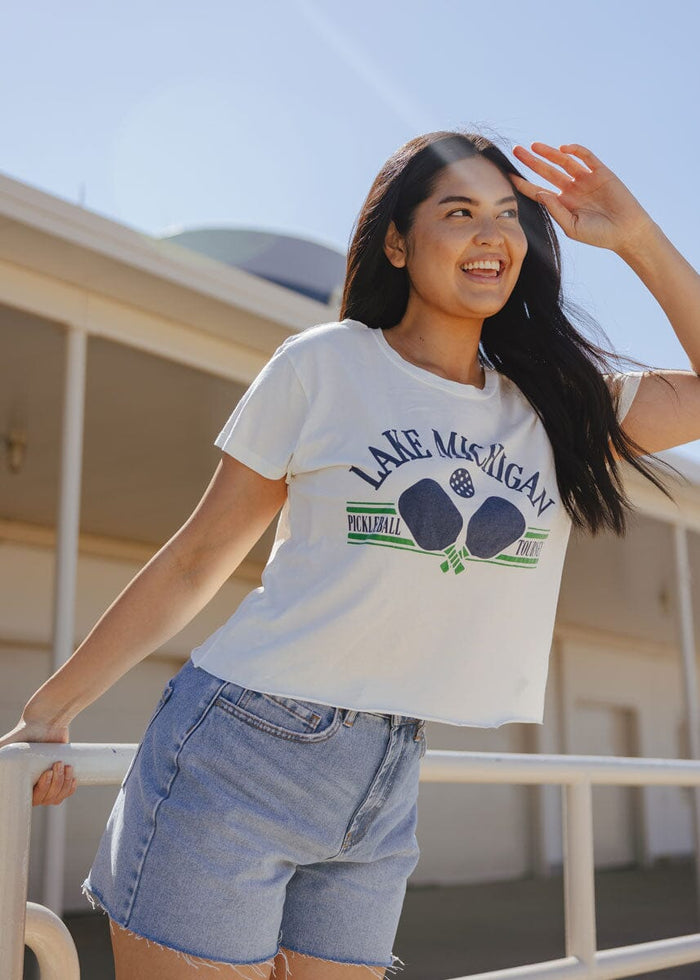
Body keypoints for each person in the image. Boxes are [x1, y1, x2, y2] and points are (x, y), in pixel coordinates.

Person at [2, 130, 700, 980]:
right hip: (239, 751)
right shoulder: (324, 365)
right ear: (398, 244)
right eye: (459, 212)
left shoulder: (552, 410)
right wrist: (51, 709)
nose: (491, 234)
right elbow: (198, 558)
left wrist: (637, 237)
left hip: (387, 775)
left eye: (508, 215)